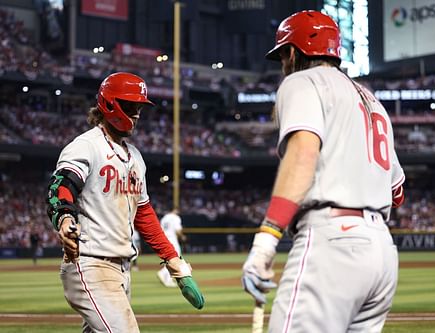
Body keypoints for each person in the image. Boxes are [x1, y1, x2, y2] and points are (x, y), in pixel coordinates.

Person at [242, 11, 406, 333]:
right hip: (382, 253)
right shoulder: (372, 101)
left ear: (293, 52)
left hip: (333, 242)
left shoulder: (301, 81)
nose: (283, 65)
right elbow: (397, 191)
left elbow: (304, 154)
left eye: (282, 57)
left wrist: (266, 239)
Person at [46, 72, 204, 332]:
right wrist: (64, 218)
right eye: (131, 106)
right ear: (109, 104)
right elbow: (61, 186)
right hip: (90, 263)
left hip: (121, 270)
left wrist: (174, 262)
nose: (137, 113)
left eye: (139, 107)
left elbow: (144, 214)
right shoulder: (86, 146)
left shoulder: (135, 158)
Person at [157, 208, 187, 287]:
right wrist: (182, 236)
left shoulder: (164, 217)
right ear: (175, 210)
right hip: (172, 239)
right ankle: (163, 273)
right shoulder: (176, 217)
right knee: (175, 258)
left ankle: (168, 279)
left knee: (169, 259)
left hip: (164, 239)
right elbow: (178, 230)